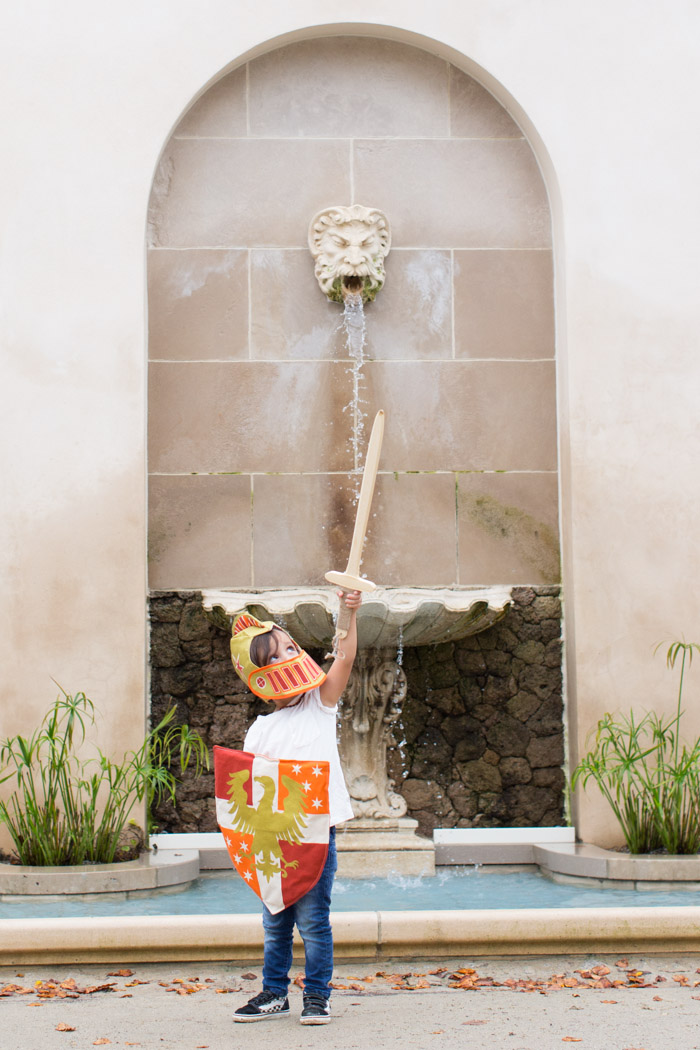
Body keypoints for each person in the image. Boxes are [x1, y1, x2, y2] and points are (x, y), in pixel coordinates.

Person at [230, 589, 361, 1026]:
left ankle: (318, 997)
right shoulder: (259, 731)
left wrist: (350, 611)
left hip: (314, 833)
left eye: (292, 645)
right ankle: (274, 993)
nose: (293, 651)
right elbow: (248, 795)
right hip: (272, 838)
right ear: (261, 674)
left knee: (314, 922)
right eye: (280, 651)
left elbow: (343, 658)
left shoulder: (320, 705)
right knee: (274, 923)